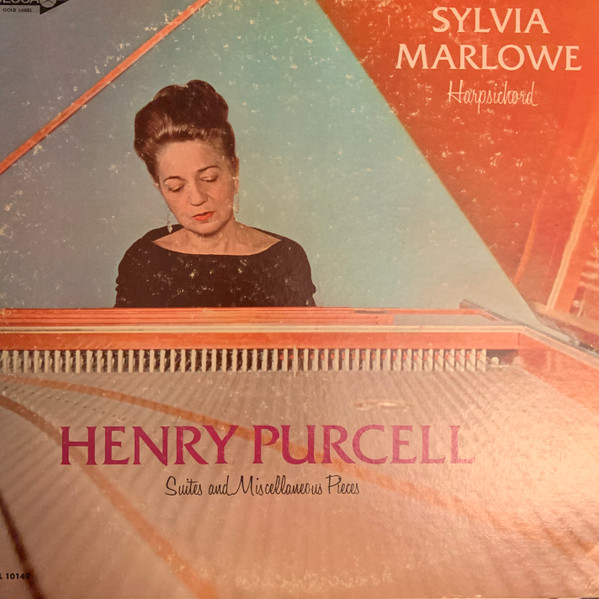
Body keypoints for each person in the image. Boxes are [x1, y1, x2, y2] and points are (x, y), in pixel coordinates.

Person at [115, 80, 316, 308]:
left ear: (234, 170)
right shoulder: (145, 258)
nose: (197, 198)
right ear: (159, 187)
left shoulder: (283, 257)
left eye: (209, 178)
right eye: (176, 187)